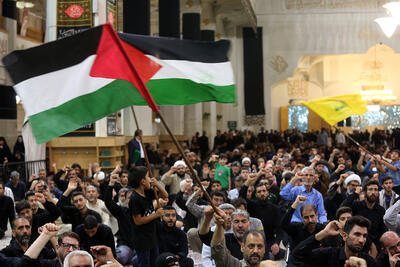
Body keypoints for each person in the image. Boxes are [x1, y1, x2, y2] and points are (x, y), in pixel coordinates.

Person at [290, 216, 377, 266]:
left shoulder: (369, 262)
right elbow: (297, 255)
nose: (362, 240)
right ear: (344, 236)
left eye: (364, 236)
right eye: (357, 234)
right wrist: (324, 233)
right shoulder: (329, 255)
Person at [129, 166, 168, 267]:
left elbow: (165, 195)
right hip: (141, 239)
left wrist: (157, 184)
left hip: (151, 236)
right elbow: (138, 221)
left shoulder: (147, 193)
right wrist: (156, 215)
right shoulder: (134, 199)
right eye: (148, 177)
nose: (150, 180)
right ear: (142, 181)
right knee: (145, 264)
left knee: (155, 262)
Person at [342, 180, 387, 250]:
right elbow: (343, 208)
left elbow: (382, 231)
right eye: (370, 189)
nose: (373, 192)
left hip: (374, 247)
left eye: (375, 190)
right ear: (365, 192)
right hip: (356, 244)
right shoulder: (357, 205)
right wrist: (356, 194)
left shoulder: (381, 210)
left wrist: (376, 248)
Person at [105, 173, 136, 265]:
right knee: (121, 257)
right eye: (128, 198)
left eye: (132, 197)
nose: (130, 200)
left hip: (141, 247)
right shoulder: (122, 212)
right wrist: (111, 184)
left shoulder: (143, 211)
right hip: (125, 245)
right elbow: (108, 202)